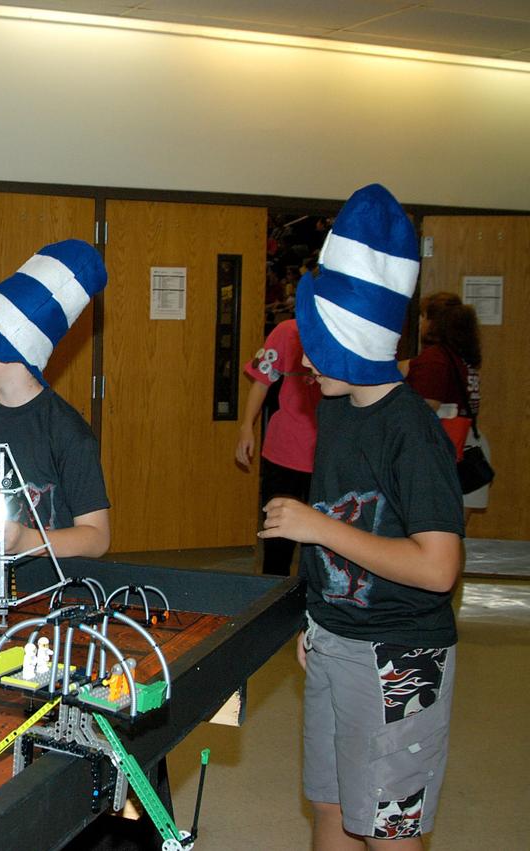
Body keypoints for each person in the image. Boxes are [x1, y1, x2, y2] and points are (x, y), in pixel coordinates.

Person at [260, 184, 463, 849]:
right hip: (338, 640)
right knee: (333, 805)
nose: (307, 363)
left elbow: (437, 567)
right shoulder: (338, 410)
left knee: (387, 826)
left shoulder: (411, 431)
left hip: (399, 652)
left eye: (318, 345)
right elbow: (345, 540)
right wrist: (320, 621)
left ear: (353, 339)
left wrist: (318, 528)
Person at [0, 239, 111, 560]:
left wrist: (27, 541)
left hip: (46, 593)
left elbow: (97, 537)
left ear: (15, 346)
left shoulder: (67, 431)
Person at [235, 318, 322, 575]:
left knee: (325, 538)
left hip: (328, 451)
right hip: (285, 452)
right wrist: (246, 426)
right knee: (278, 542)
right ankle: (273, 596)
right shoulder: (288, 331)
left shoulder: (343, 328)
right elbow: (262, 380)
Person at [405, 292, 488, 513]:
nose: (420, 323)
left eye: (423, 317)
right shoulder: (460, 357)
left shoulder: (434, 359)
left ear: (434, 322)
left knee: (442, 530)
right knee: (456, 531)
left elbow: (426, 407)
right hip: (469, 444)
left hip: (447, 451)